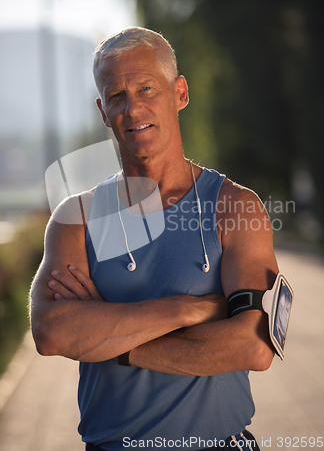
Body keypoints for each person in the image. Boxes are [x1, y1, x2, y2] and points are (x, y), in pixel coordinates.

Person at [30, 27, 279, 451]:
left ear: (179, 92)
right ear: (103, 112)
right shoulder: (77, 218)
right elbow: (52, 333)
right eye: (116, 96)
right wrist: (189, 309)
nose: (133, 108)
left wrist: (110, 339)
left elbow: (254, 346)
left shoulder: (235, 208)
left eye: (147, 88)